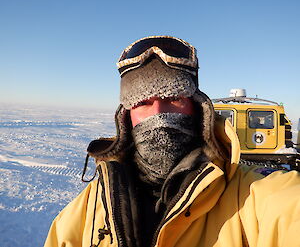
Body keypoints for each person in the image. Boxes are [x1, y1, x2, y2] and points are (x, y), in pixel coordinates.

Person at [44, 36, 300, 247]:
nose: (158, 115)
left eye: (173, 98)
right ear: (126, 117)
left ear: (198, 108)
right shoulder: (89, 207)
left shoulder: (252, 196)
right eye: (142, 103)